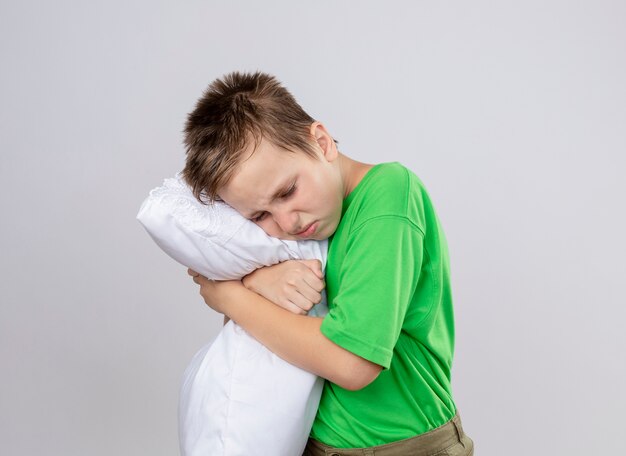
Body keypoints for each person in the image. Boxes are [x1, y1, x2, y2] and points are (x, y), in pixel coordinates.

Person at [183, 71, 474, 455]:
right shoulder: (305, 228)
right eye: (259, 217)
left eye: (288, 191)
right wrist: (257, 282)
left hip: (404, 446)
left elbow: (353, 363)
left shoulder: (388, 195)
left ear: (320, 142)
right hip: (315, 444)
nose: (287, 222)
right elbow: (259, 337)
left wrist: (229, 295)